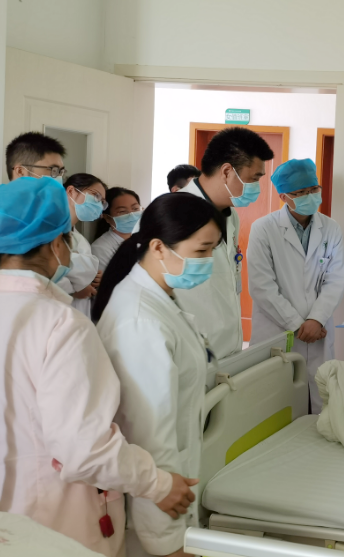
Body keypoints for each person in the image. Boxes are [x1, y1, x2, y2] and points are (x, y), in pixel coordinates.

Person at [0, 177, 198, 557]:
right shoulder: (59, 325)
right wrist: (158, 484)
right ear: (57, 244)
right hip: (56, 524)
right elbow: (83, 448)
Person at [93, 193, 225, 557]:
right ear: (158, 247)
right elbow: (149, 435)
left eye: (212, 250)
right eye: (201, 251)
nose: (208, 261)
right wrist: (166, 541)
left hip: (170, 489)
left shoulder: (158, 298)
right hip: (155, 508)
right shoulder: (140, 320)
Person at [248, 159, 344, 413]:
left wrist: (316, 319)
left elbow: (336, 279)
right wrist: (297, 324)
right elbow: (262, 286)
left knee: (320, 402)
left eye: (313, 189)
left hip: (318, 330)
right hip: (277, 330)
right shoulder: (263, 229)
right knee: (276, 405)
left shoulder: (331, 228)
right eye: (301, 192)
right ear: (284, 197)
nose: (310, 196)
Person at [176, 127, 274, 359]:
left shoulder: (231, 216)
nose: (257, 187)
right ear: (227, 171)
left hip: (226, 347)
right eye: (254, 179)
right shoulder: (173, 215)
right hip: (191, 350)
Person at [60, 173, 108, 317]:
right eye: (96, 196)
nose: (99, 204)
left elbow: (86, 270)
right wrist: (74, 290)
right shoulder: (48, 231)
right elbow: (42, 271)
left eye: (102, 202)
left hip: (78, 312)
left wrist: (93, 277)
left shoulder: (79, 239)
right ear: (71, 191)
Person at [92, 187, 142, 271]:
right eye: (122, 211)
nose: (132, 215)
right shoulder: (100, 248)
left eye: (135, 209)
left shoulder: (148, 237)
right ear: (107, 217)